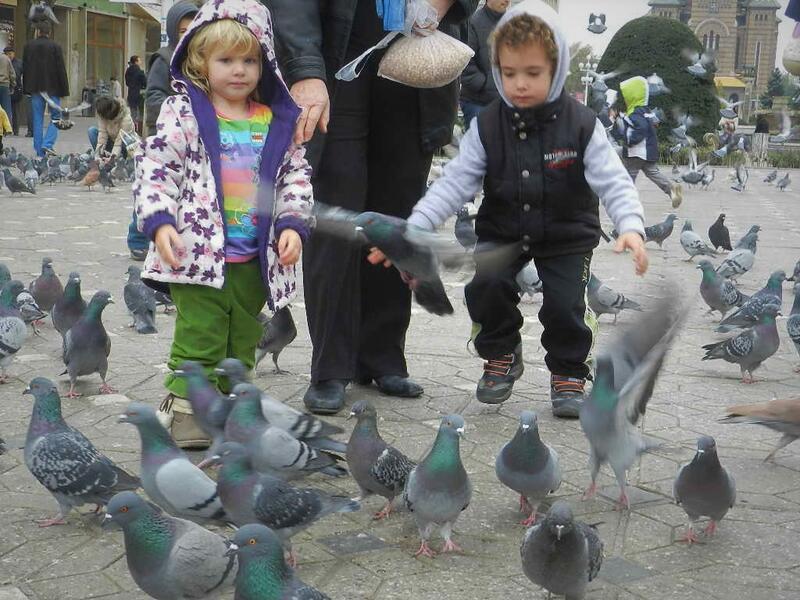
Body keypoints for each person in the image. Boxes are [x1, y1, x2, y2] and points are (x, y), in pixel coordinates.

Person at [370, 3, 648, 418]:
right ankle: (500, 355)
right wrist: (415, 227)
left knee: (565, 304)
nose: (519, 84)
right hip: (503, 229)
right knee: (485, 287)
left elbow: (614, 180)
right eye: (509, 72)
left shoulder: (583, 124)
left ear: (557, 68)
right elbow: (454, 183)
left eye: (532, 73)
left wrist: (631, 225)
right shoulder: (487, 126)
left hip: (567, 235)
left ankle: (570, 372)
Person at [268, 0, 478, 415]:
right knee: (335, 217)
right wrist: (305, 69)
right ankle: (330, 367)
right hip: (337, 59)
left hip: (415, 61)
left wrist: (436, 5)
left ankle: (382, 356)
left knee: (395, 218)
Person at [133, 0, 314, 448]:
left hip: (254, 257)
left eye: (249, 60)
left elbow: (295, 176)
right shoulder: (185, 114)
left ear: (265, 63)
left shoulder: (275, 122)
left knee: (245, 332)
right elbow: (157, 167)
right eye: (226, 60)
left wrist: (292, 224)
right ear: (200, 62)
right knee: (200, 333)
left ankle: (234, 406)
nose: (239, 70)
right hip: (194, 254)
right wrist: (159, 222)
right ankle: (185, 408)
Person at [619, 75, 683, 209]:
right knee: (653, 172)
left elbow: (640, 128)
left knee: (629, 174)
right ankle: (672, 189)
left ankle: (626, 200)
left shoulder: (634, 114)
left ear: (632, 96)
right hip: (649, 151)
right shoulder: (646, 111)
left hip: (636, 151)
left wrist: (629, 140)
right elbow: (655, 122)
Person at [145, 0, 199, 136]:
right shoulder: (164, 58)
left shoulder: (201, 59)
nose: (188, 35)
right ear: (173, 32)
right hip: (168, 134)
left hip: (195, 132)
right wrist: (181, 111)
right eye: (183, 31)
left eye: (193, 30)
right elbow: (154, 96)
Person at [22, 21, 69, 157]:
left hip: (36, 89)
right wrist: (64, 90)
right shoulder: (55, 46)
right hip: (53, 89)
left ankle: (39, 151)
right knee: (56, 117)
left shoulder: (28, 46)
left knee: (37, 118)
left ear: (38, 31)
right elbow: (61, 69)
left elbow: (26, 68)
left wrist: (27, 88)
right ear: (49, 32)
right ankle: (47, 144)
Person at [460, 0, 509, 128]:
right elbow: (464, 61)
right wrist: (487, 83)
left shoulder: (513, 24)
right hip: (477, 102)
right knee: (480, 145)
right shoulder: (472, 22)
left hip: (505, 102)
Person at [124, 55, 147, 133]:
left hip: (131, 94)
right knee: (140, 113)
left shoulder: (128, 71)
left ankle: (131, 129)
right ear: (136, 62)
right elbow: (145, 83)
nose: (140, 62)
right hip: (139, 95)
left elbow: (127, 83)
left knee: (132, 113)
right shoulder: (140, 72)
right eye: (139, 60)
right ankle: (138, 130)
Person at [3, 47, 22, 135]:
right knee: (5, 110)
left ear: (14, 54)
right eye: (7, 54)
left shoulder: (19, 63)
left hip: (16, 89)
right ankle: (6, 129)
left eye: (10, 53)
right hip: (6, 88)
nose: (9, 55)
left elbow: (19, 75)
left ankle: (16, 129)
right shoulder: (4, 62)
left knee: (15, 111)